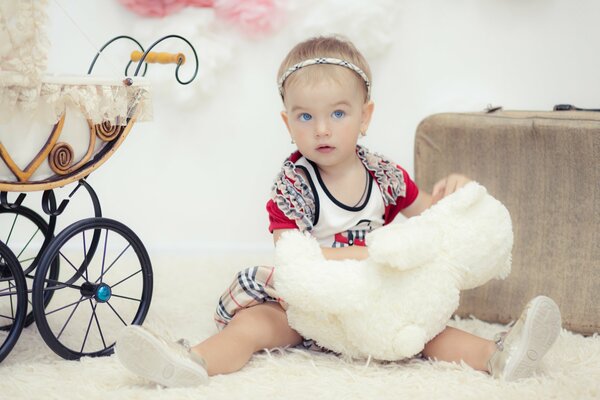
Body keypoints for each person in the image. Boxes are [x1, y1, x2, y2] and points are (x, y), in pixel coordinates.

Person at [115, 35, 562, 387]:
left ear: (365, 117)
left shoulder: (384, 175)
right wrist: (369, 255)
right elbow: (296, 260)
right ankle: (193, 361)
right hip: (316, 308)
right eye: (305, 117)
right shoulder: (293, 186)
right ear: (288, 123)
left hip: (377, 306)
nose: (322, 129)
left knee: (427, 335)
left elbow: (431, 221)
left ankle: (498, 355)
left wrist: (454, 195)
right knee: (254, 325)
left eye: (339, 113)